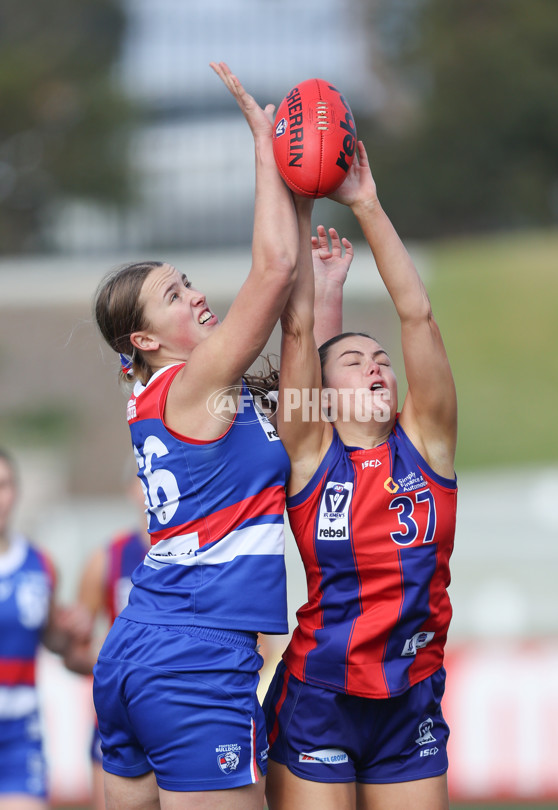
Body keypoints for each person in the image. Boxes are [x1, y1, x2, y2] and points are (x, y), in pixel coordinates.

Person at [91, 62, 344, 810]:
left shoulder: (178, 396)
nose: (196, 295)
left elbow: (301, 390)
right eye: (175, 295)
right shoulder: (194, 386)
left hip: (143, 644)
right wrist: (269, 149)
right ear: (144, 337)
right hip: (196, 656)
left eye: (186, 280)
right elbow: (271, 272)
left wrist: (319, 287)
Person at [263, 141, 458, 810]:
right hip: (321, 695)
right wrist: (300, 197)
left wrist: (366, 203)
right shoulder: (311, 453)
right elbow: (296, 340)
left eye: (382, 360)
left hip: (412, 693)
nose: (377, 364)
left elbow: (417, 316)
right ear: (323, 390)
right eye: (354, 360)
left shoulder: (427, 443)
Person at [0, 448, 90, 810]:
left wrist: (71, 629)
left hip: (21, 734)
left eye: (3, 485)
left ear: (16, 492)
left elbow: (53, 639)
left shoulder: (40, 566)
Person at [62, 474, 150, 810]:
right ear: (131, 488)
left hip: (182, 712)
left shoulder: (204, 552)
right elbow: (74, 651)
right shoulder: (108, 557)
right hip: (117, 720)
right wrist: (106, 653)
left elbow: (258, 644)